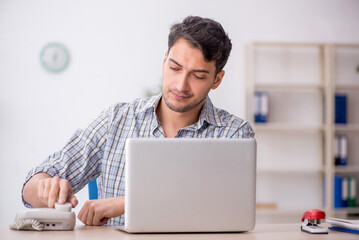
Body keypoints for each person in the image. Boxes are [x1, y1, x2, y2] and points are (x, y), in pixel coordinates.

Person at [22, 16, 255, 226]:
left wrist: (127, 202)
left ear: (217, 79)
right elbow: (34, 183)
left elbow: (228, 208)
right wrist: (44, 187)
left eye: (198, 75)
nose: (181, 85)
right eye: (175, 68)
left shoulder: (234, 134)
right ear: (164, 61)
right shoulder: (117, 119)